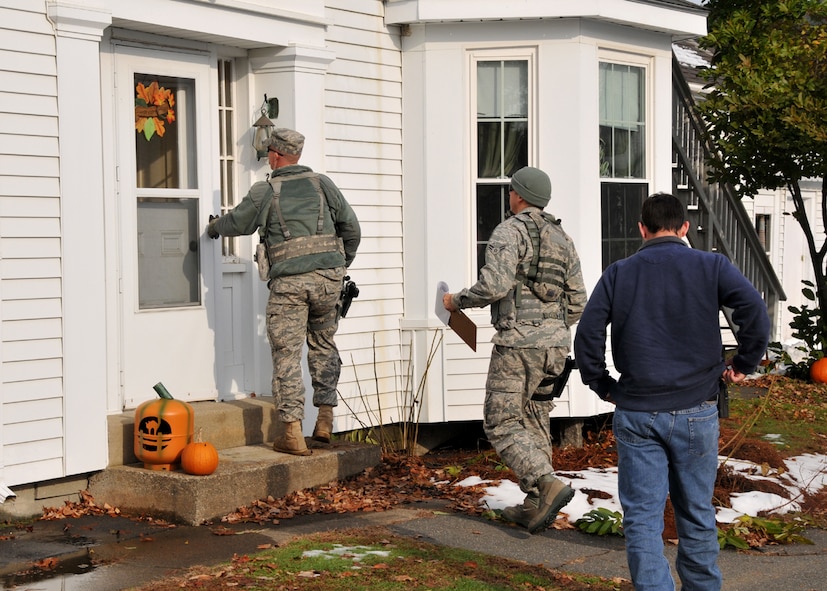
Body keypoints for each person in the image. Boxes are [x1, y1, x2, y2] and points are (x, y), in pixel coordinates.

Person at [574, 193, 770, 591]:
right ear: (684, 228)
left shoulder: (618, 273)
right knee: (696, 513)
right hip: (697, 410)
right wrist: (744, 364)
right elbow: (754, 311)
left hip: (637, 411)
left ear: (642, 229)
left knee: (643, 518)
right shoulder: (711, 265)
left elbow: (587, 334)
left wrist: (603, 385)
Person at [442, 166, 586, 534]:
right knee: (535, 419)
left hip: (518, 346)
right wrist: (553, 329)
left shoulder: (509, 231)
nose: (509, 195)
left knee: (500, 420)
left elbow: (494, 285)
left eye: (511, 191)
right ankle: (535, 504)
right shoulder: (563, 239)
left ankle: (545, 482)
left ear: (519, 195)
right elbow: (578, 303)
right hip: (555, 348)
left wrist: (455, 301)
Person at [207, 128, 361, 456]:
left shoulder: (266, 190)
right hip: (327, 283)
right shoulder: (323, 184)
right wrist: (339, 265)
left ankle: (292, 432)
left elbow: (238, 223)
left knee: (287, 353)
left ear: (276, 156)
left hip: (290, 286)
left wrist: (213, 227)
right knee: (323, 344)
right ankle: (324, 420)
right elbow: (352, 228)